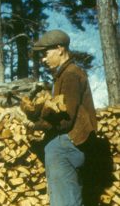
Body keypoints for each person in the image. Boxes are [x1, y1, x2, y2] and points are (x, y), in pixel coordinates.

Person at [31, 29, 97, 206]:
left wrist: (36, 125)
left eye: (45, 54)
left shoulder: (70, 75)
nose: (43, 60)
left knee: (65, 202)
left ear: (60, 49)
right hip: (67, 144)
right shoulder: (65, 75)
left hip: (66, 145)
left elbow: (66, 120)